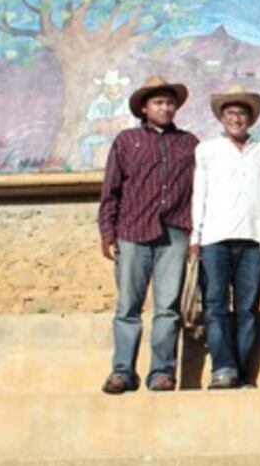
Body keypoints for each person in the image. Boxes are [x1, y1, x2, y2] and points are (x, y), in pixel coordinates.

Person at [98, 76, 198, 394]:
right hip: (132, 231)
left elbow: (203, 188)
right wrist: (107, 230)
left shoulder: (189, 143)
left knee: (168, 307)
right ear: (144, 107)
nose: (165, 107)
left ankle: (161, 372)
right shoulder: (127, 141)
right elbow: (111, 189)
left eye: (169, 102)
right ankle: (123, 371)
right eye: (158, 102)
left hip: (175, 232)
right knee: (128, 306)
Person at [190, 85, 260, 389]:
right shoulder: (207, 150)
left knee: (248, 308)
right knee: (214, 305)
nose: (236, 118)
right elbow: (200, 194)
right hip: (214, 238)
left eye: (241, 113)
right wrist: (195, 237)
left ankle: (241, 369)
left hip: (254, 238)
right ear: (221, 117)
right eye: (230, 113)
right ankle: (223, 367)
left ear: (250, 118)